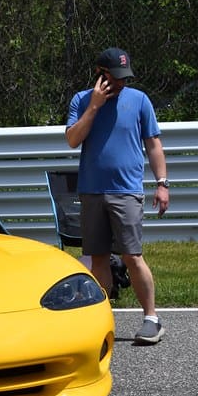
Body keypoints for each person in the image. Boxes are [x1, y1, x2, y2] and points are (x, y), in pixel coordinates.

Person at [65, 47, 169, 345]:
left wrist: (162, 183)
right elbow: (73, 139)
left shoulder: (139, 101)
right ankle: (102, 318)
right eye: (116, 77)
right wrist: (95, 106)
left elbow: (153, 144)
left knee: (132, 256)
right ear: (101, 74)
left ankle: (152, 319)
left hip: (126, 191)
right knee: (98, 258)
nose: (122, 83)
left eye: (125, 77)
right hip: (92, 191)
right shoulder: (81, 100)